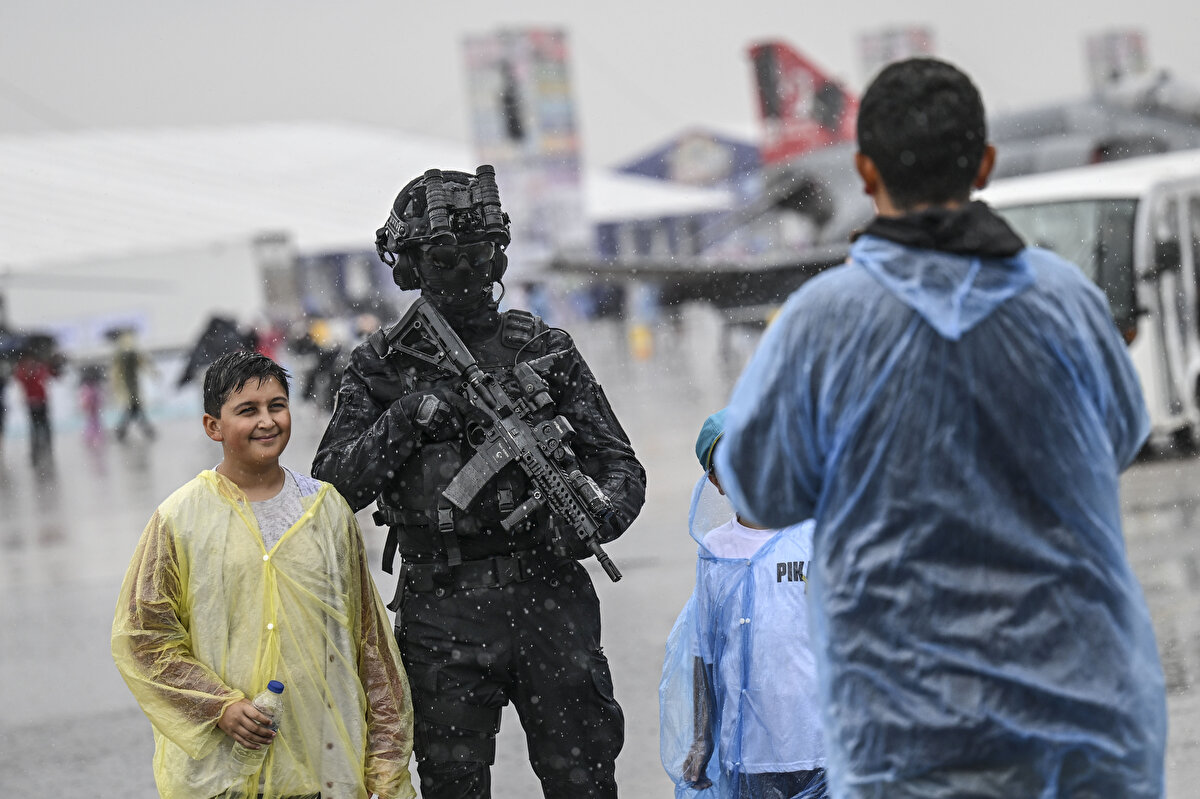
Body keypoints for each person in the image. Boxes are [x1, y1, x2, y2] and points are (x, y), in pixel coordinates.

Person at [714, 57, 1166, 797]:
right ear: (984, 162)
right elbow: (1121, 435)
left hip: (911, 732)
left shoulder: (817, 325)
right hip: (1088, 720)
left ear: (865, 171)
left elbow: (759, 489)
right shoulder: (1068, 301)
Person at [312, 165, 646, 799]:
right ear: (410, 264)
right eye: (445, 258)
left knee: (585, 778)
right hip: (443, 609)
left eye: (479, 253)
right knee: (453, 784)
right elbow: (331, 487)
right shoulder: (381, 367)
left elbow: (621, 466)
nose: (466, 271)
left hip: (550, 595)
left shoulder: (542, 348)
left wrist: (591, 517)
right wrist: (408, 419)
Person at [111, 350, 416, 799]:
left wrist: (386, 774)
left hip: (325, 769)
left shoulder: (325, 510)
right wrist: (219, 706)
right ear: (213, 426)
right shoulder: (180, 518)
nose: (267, 421)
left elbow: (369, 644)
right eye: (247, 411)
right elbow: (143, 638)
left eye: (277, 406)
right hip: (223, 776)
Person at [661, 409, 827, 799]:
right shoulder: (716, 549)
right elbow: (706, 651)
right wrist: (702, 739)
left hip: (820, 742)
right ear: (716, 481)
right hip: (749, 753)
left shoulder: (815, 534)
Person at [14, 345, 59, 466]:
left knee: (46, 427)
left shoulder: (40, 367)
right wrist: (29, 371)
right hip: (32, 403)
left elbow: (51, 375)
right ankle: (35, 453)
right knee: (34, 428)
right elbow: (21, 379)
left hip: (42, 402)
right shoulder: (22, 369)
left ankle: (48, 450)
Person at [111, 329, 157, 441]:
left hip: (131, 388)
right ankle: (145, 430)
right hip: (130, 388)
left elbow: (117, 372)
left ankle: (122, 431)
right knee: (134, 410)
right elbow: (117, 372)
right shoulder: (125, 354)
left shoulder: (124, 354)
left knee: (133, 410)